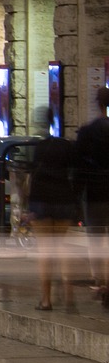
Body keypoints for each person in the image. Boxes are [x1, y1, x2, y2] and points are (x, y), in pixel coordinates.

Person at [28, 135, 84, 311]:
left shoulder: (39, 157)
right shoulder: (68, 157)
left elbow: (30, 178)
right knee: (62, 248)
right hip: (64, 199)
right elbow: (76, 176)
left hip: (40, 200)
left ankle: (45, 300)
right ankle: (69, 297)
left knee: (45, 252)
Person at [77, 87, 109, 306]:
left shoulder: (87, 132)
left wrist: (77, 195)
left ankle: (100, 281)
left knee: (95, 241)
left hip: (95, 193)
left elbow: (78, 166)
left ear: (96, 103)